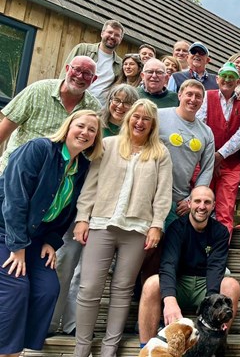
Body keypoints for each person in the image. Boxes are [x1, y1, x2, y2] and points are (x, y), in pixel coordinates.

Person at [72, 99, 173, 357]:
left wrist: (156, 226)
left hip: (138, 229)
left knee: (122, 290)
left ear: (152, 125)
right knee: (89, 287)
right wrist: (83, 217)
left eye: (146, 119)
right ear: (128, 119)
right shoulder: (107, 145)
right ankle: (81, 348)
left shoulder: (160, 153)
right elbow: (90, 185)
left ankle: (109, 348)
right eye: (136, 117)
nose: (140, 122)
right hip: (101, 224)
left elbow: (163, 195)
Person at [0, 110, 103, 356]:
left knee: (47, 290)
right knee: (16, 288)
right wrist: (17, 247)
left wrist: (51, 241)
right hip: (6, 232)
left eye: (92, 130)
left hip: (36, 239)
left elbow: (67, 211)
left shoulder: (81, 167)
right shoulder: (39, 149)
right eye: (81, 126)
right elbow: (14, 199)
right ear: (68, 126)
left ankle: (16, 348)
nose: (85, 133)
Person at [49, 84, 139, 336]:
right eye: (116, 100)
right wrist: (82, 215)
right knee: (64, 265)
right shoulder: (94, 127)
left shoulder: (132, 135)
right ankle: (50, 322)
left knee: (83, 275)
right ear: (109, 100)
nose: (120, 106)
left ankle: (73, 325)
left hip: (105, 213)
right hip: (76, 205)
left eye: (127, 103)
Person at [137, 186, 240, 348]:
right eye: (197, 201)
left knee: (231, 285)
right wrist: (170, 300)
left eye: (207, 202)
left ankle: (214, 345)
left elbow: (215, 269)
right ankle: (147, 348)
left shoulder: (220, 232)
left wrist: (211, 306)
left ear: (213, 205)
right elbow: (168, 265)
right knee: (151, 283)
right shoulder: (176, 228)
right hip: (180, 283)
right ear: (190, 203)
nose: (202, 206)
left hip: (204, 284)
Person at [0, 55, 101, 172]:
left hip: (54, 179)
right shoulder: (38, 90)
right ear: (67, 69)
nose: (80, 76)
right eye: (77, 69)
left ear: (94, 79)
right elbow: (5, 127)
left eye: (87, 74)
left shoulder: (94, 108)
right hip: (15, 169)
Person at [197, 62, 240, 236]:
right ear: (217, 79)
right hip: (203, 161)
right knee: (200, 206)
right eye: (224, 76)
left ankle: (219, 256)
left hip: (230, 165)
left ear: (237, 82)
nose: (228, 80)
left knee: (225, 210)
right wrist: (210, 158)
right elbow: (200, 126)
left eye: (232, 77)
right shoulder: (207, 97)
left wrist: (220, 155)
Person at [158, 79, 215, 225]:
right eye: (189, 94)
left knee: (172, 245)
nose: (193, 99)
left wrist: (191, 198)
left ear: (202, 101)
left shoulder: (206, 132)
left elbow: (207, 169)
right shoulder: (158, 116)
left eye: (198, 96)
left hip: (178, 202)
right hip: (152, 193)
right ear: (179, 95)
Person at [59, 19, 124, 104]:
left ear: (120, 40)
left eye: (117, 35)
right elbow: (65, 74)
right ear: (102, 33)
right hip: (73, 101)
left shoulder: (120, 64)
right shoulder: (83, 49)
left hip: (98, 109)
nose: (112, 36)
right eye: (110, 32)